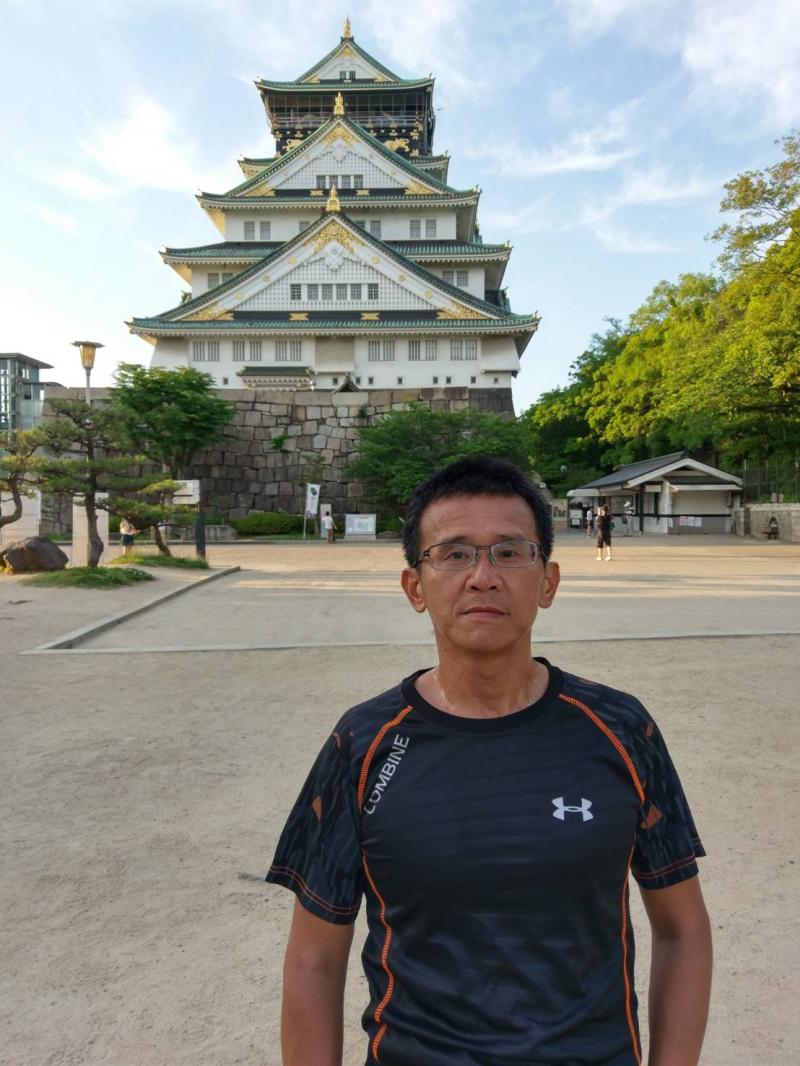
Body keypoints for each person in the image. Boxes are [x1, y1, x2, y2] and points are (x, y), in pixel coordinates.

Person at [267, 456, 711, 1066]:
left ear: (547, 582)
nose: (483, 577)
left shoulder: (621, 728)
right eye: (454, 553)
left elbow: (683, 928)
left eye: (509, 552)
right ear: (415, 587)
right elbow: (314, 960)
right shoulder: (361, 745)